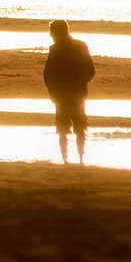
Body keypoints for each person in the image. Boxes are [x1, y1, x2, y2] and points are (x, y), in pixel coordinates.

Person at [43, 20, 96, 164]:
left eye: (51, 32)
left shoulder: (55, 49)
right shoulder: (80, 46)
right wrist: (82, 83)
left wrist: (52, 91)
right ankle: (80, 159)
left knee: (62, 128)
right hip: (78, 93)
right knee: (80, 127)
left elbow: (47, 74)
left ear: (57, 32)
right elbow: (91, 70)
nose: (50, 35)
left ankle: (65, 160)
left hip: (61, 94)